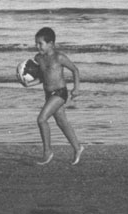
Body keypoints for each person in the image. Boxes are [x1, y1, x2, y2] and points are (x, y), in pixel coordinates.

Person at [32, 26, 84, 165]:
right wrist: (28, 84)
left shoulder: (59, 57)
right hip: (48, 94)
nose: (37, 47)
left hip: (60, 93)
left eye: (40, 44)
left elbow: (75, 70)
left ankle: (47, 152)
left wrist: (76, 88)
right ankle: (78, 148)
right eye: (36, 43)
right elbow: (42, 78)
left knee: (41, 119)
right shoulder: (38, 58)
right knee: (62, 122)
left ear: (51, 44)